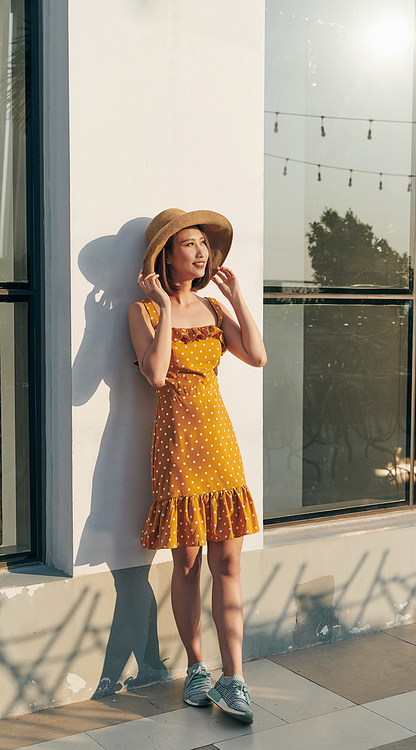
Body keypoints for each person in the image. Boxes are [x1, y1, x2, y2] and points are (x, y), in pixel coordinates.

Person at [128, 208, 266, 724]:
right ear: (166, 255)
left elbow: (256, 355)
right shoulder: (143, 311)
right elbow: (157, 375)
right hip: (178, 445)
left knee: (228, 564)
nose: (201, 251)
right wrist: (164, 307)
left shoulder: (213, 305)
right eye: (189, 243)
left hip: (219, 442)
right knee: (186, 564)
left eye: (204, 244)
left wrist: (235, 300)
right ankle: (198, 669)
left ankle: (236, 678)